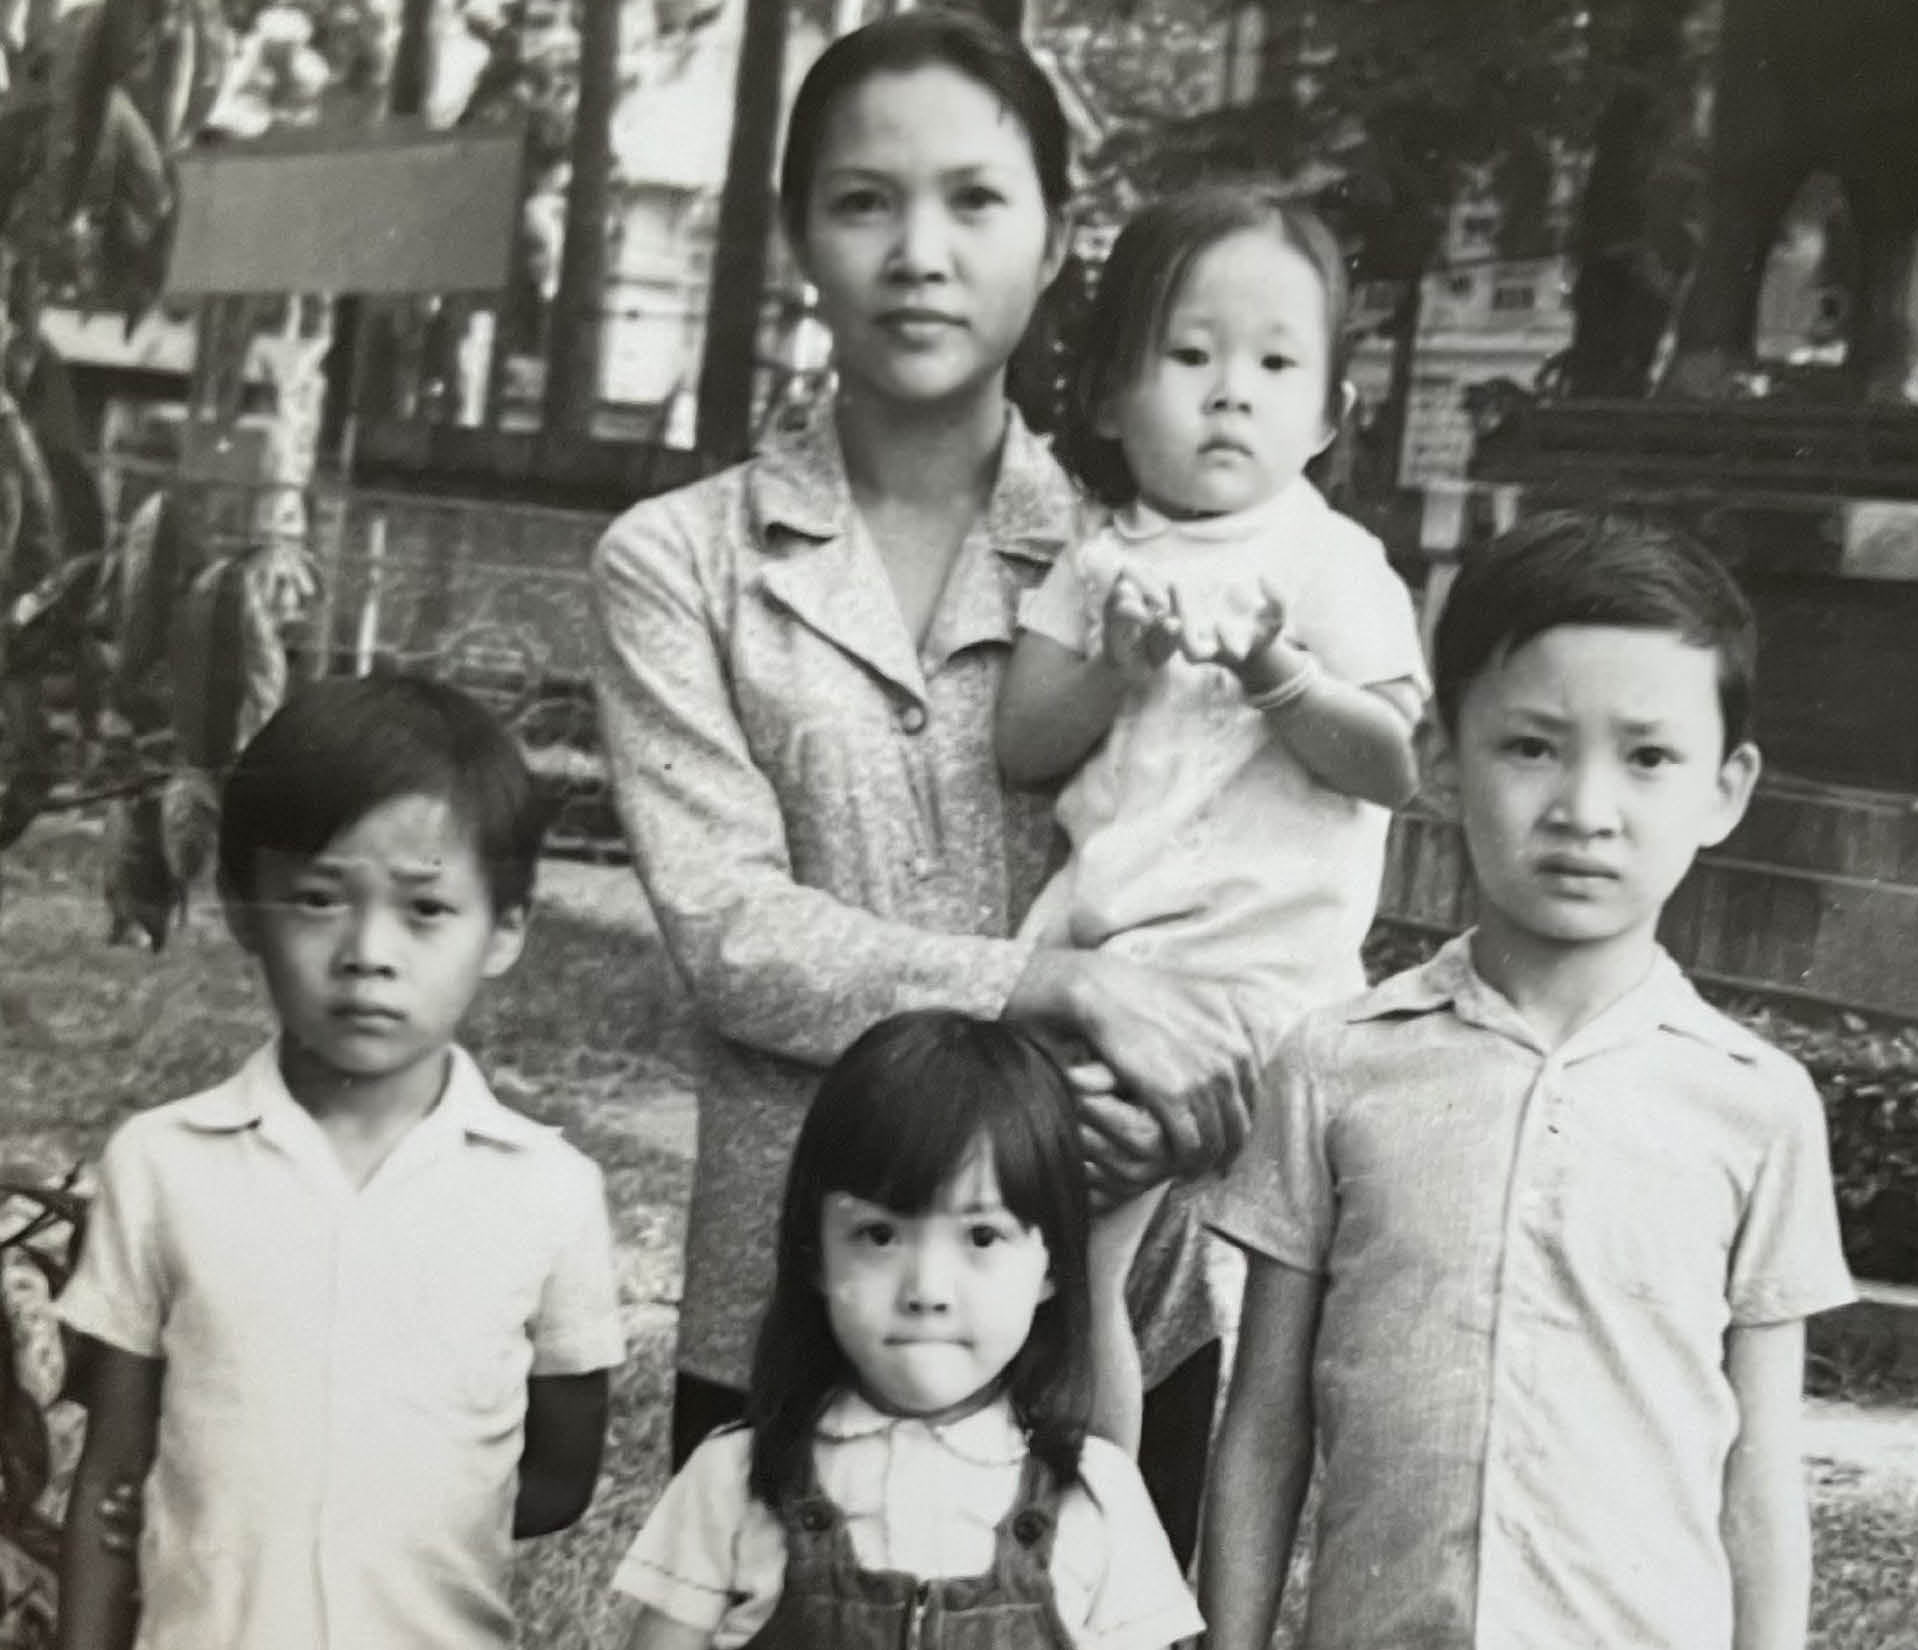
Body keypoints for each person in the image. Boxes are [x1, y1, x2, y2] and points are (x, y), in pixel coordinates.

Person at [588, 7, 1250, 1561]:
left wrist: (1187, 1103)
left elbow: (1244, 891)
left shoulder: (1154, 562)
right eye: (863, 200)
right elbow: (732, 930)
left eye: (974, 198)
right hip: (800, 1304)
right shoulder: (679, 564)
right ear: (799, 235)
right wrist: (1050, 982)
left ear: (1055, 236)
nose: (918, 250)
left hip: (1099, 1295)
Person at [1199, 510, 1859, 1650]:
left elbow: (1759, 1475)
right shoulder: (1337, 1066)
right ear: (1445, 762)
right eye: (1532, 747)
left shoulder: (1755, 1105)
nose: (1584, 812)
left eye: (1648, 757)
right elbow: (1263, 1427)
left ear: (1725, 788)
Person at [55, 676, 626, 1650]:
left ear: (508, 929)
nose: (369, 951)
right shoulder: (162, 1167)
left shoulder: (548, 1193)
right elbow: (114, 1475)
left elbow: (560, 1473)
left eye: (426, 909)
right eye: (319, 898)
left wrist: (381, 1512)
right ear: (244, 911)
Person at [610, 1011, 1205, 1650]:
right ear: (816, 1255)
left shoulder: (1098, 1494)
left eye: (981, 1236)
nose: (925, 1290)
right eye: (880, 1235)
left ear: (1052, 1267)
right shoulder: (734, 1476)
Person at [996, 181, 1427, 1046]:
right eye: (1191, 355)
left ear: (1327, 418)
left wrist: (1278, 673)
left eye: (1275, 364)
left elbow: (1390, 768)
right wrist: (1112, 671)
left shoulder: (1331, 560)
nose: (1232, 392)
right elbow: (1020, 747)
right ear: (1107, 399)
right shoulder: (1097, 560)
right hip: (1096, 966)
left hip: (1265, 988)